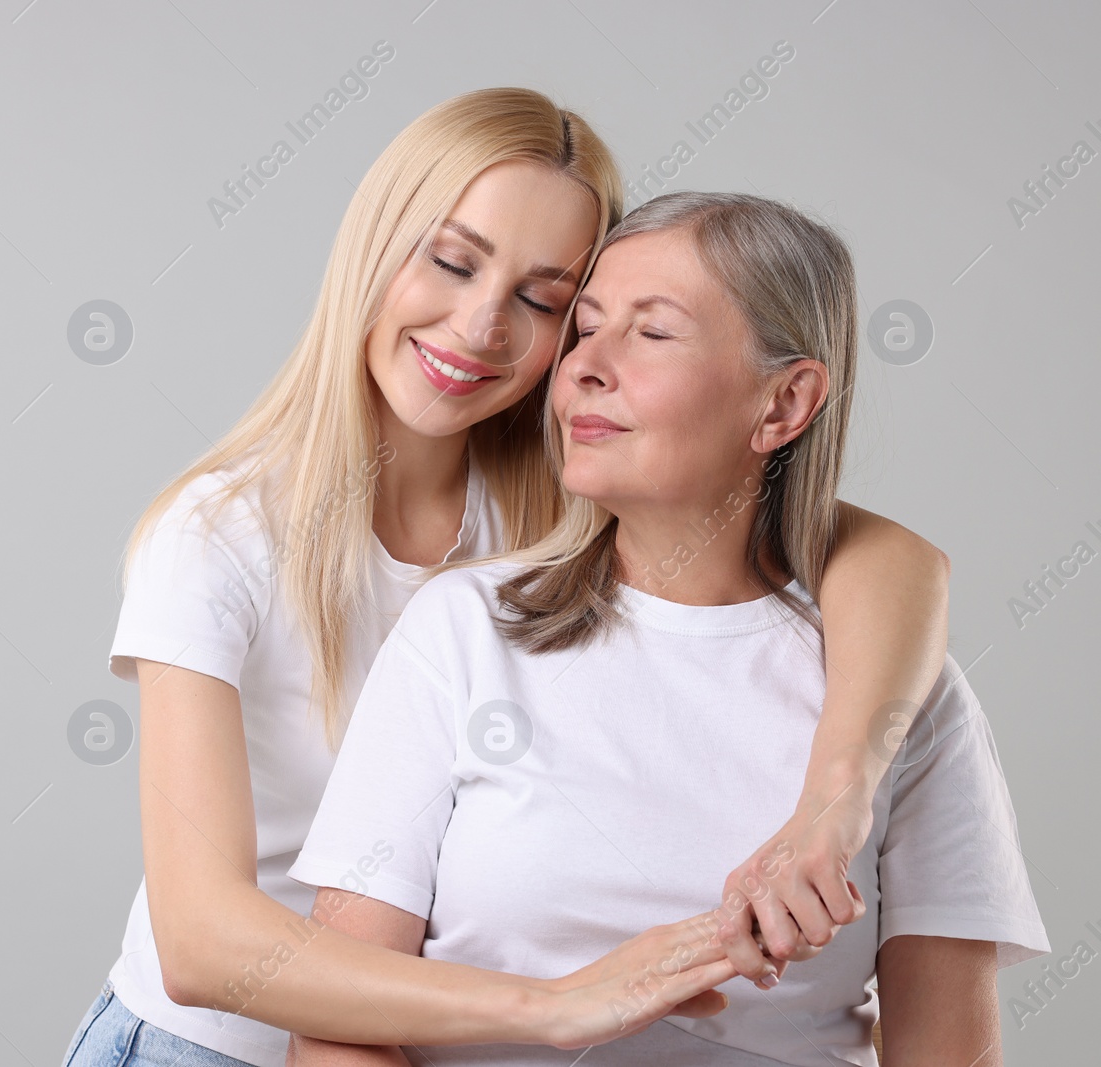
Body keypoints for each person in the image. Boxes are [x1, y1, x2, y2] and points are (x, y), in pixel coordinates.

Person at [64, 88, 952, 1067]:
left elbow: (889, 558)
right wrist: (556, 1005)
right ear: (374, 247)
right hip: (204, 1046)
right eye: (449, 261)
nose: (481, 325)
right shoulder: (220, 535)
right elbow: (201, 943)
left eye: (543, 300)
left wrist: (839, 792)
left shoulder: (560, 508)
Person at [286, 191, 1048, 1067]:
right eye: (586, 329)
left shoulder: (901, 689)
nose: (583, 369)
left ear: (784, 404)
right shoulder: (462, 632)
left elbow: (948, 1055)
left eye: (651, 334)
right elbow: (338, 1020)